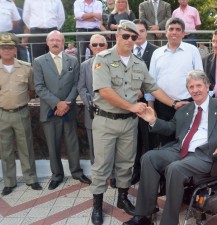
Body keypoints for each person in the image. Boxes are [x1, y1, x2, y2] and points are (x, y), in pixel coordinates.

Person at [123, 70, 217, 225]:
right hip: (180, 151)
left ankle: (169, 222)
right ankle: (144, 216)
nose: (195, 90)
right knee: (148, 158)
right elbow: (170, 128)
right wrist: (153, 120)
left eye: (199, 85)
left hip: (206, 156)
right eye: (191, 87)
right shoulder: (185, 110)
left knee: (175, 168)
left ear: (207, 86)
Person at [89, 20, 185, 225]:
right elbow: (105, 91)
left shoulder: (138, 63)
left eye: (134, 37)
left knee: (126, 163)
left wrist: (174, 103)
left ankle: (123, 199)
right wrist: (132, 106)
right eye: (125, 36)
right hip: (106, 121)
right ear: (117, 36)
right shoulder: (103, 59)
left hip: (128, 124)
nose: (130, 40)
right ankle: (97, 205)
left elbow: (153, 88)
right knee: (102, 165)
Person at [33, 30, 91, 190]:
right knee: (53, 145)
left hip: (68, 110)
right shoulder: (39, 61)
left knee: (73, 143)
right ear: (47, 42)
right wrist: (57, 103)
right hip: (50, 111)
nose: (55, 43)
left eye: (58, 40)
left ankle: (77, 172)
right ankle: (57, 175)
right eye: (51, 40)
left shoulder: (72, 60)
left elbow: (76, 84)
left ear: (63, 42)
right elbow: (39, 87)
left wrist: (67, 103)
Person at [145, 17, 203, 146]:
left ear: (183, 33)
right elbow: (151, 83)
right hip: (163, 106)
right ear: (166, 32)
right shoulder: (157, 53)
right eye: (171, 29)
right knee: (165, 142)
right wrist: (151, 106)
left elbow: (200, 78)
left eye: (178, 29)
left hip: (187, 103)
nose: (174, 32)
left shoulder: (192, 50)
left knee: (188, 141)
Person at [0, 33, 42, 196]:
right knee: (5, 149)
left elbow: (32, 90)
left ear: (15, 50)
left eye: (10, 47)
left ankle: (31, 179)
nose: (7, 50)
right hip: (2, 114)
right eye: (3, 48)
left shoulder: (26, 68)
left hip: (21, 112)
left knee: (26, 146)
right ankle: (9, 182)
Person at [131, 19, 158, 185]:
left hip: (149, 103)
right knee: (134, 140)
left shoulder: (156, 51)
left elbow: (155, 78)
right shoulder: (126, 51)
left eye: (141, 31)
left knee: (148, 140)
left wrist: (144, 92)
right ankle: (136, 171)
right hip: (129, 104)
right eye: (136, 31)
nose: (138, 34)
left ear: (146, 32)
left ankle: (148, 173)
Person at [77, 34, 108, 165]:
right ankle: (96, 172)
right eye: (95, 45)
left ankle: (112, 174)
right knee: (93, 144)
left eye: (101, 44)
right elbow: (81, 87)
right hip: (92, 112)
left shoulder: (113, 63)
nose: (98, 47)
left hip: (110, 111)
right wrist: (90, 104)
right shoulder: (84, 65)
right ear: (90, 47)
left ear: (106, 46)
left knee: (110, 144)